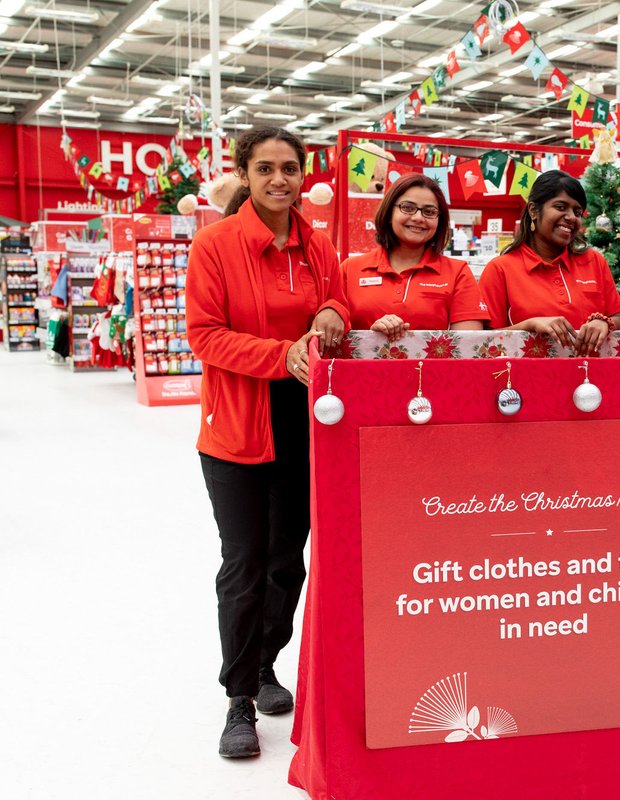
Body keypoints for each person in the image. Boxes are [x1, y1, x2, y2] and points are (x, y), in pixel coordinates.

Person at [186, 127, 350, 759]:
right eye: (265, 169)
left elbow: (336, 296)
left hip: (305, 424)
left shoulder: (318, 245)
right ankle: (238, 699)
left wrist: (333, 311)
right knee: (245, 564)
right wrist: (283, 354)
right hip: (236, 429)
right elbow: (204, 334)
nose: (279, 179)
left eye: (289, 168)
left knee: (289, 559)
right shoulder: (217, 245)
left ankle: (264, 662)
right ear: (245, 175)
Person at [478, 170, 620, 353]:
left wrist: (603, 322)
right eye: (561, 207)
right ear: (533, 210)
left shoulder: (593, 261)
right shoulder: (501, 269)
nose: (571, 217)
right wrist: (529, 325)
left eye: (577, 211)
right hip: (525, 378)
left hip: (590, 378)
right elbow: (482, 340)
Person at [340, 173, 487, 336]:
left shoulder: (458, 273)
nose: (418, 218)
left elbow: (468, 344)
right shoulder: (350, 269)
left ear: (439, 220)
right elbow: (329, 333)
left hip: (433, 362)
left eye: (429, 212)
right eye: (408, 208)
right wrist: (372, 335)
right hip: (358, 362)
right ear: (389, 213)